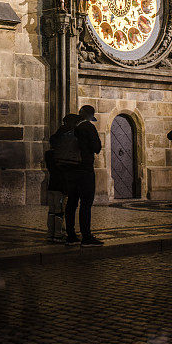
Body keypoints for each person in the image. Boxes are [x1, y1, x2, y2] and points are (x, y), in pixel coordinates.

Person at [64, 105, 103, 246]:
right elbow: (96, 147)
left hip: (70, 169)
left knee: (71, 203)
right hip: (84, 170)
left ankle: (71, 235)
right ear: (90, 115)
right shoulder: (88, 127)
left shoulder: (69, 128)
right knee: (86, 203)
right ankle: (86, 237)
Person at [47, 113, 80, 243]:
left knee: (52, 210)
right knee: (60, 210)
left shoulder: (50, 152)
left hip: (52, 184)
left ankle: (51, 233)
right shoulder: (63, 151)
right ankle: (58, 234)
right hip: (62, 185)